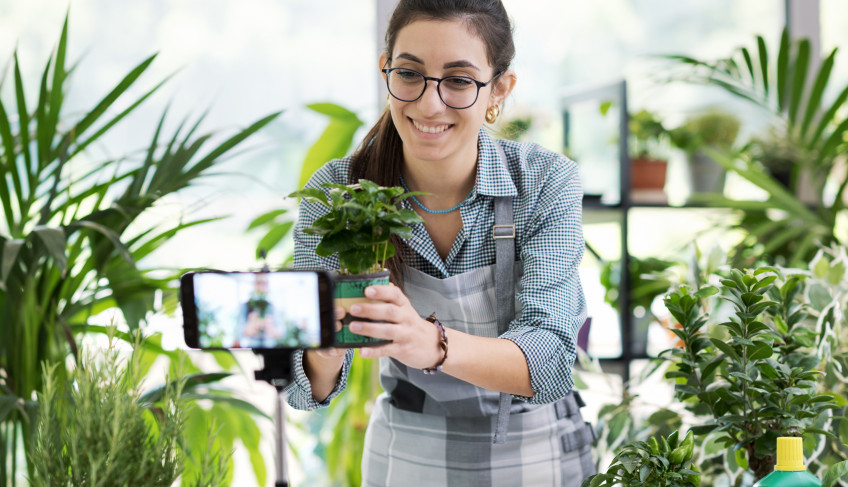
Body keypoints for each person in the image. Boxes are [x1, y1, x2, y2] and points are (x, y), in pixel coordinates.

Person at [286, 1, 594, 485]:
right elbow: (303, 388)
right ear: (386, 70)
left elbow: (551, 358)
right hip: (409, 458)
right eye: (410, 74)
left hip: (535, 455)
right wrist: (324, 346)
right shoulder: (339, 191)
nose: (430, 104)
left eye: (459, 80)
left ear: (499, 89)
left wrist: (430, 343)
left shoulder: (543, 182)